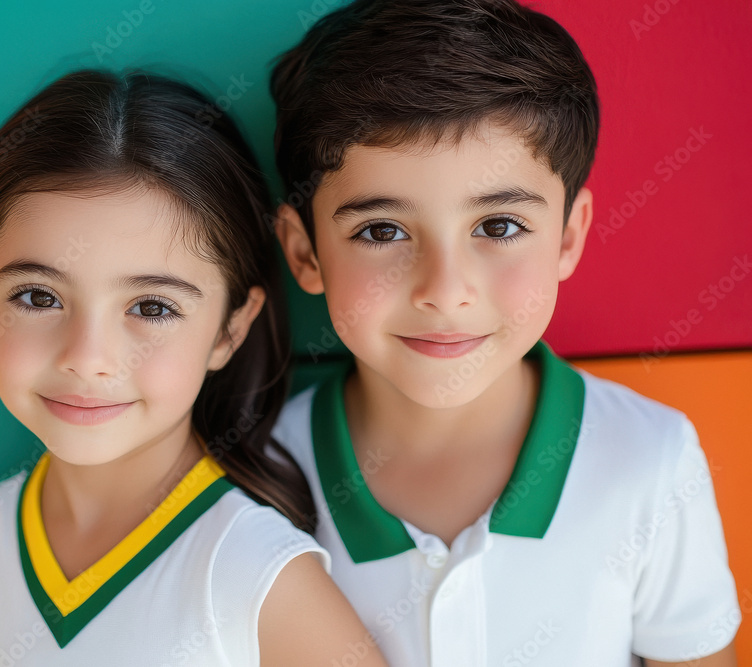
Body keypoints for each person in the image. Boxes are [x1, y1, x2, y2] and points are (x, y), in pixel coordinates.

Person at [268, 1, 740, 665]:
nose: (445, 289)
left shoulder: (650, 461)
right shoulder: (258, 479)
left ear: (569, 237)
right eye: (382, 231)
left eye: (497, 227)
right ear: (305, 252)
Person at [0, 69, 387, 667]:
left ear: (230, 328)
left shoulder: (257, 578)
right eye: (38, 297)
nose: (87, 358)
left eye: (152, 307)